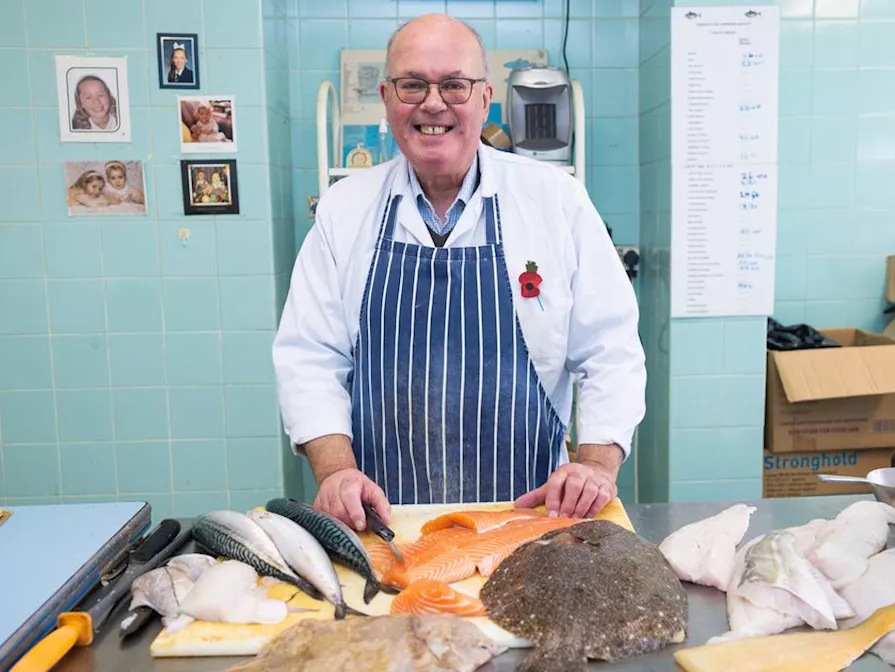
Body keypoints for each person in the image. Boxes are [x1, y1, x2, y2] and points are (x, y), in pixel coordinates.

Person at [272, 14, 645, 531]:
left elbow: (611, 349)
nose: (432, 103)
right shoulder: (344, 209)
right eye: (412, 85)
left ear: (484, 98)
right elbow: (310, 357)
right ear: (386, 96)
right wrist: (335, 471)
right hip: (385, 521)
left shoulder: (555, 200)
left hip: (532, 514)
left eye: (454, 84)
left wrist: (596, 465)